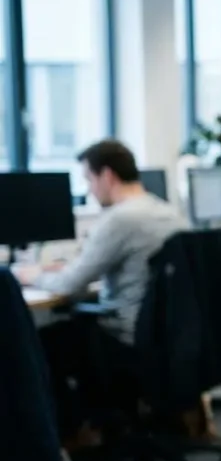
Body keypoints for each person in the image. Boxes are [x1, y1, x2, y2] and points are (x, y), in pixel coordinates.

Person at [15, 140, 188, 434]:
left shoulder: (120, 218)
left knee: (42, 343)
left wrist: (29, 276)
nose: (90, 190)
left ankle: (73, 433)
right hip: (169, 334)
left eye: (89, 179)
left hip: (128, 336)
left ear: (107, 176)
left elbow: (68, 285)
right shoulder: (167, 212)